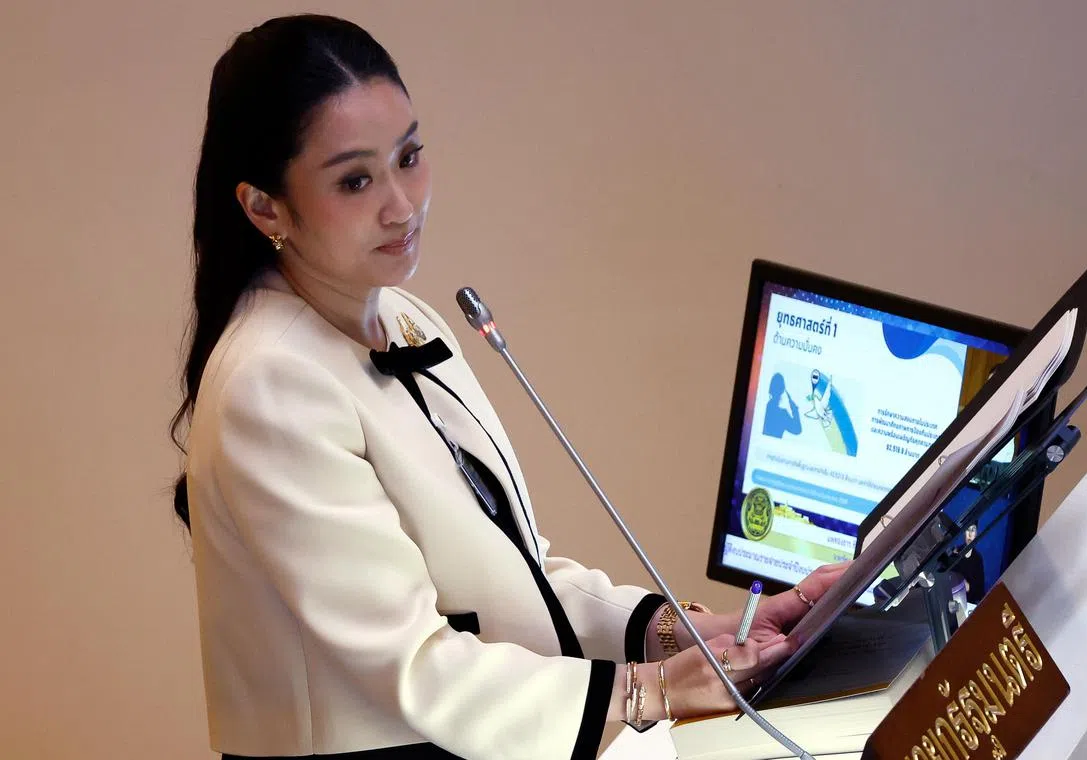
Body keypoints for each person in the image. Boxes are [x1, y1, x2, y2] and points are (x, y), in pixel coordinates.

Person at [169, 14, 850, 760]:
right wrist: (660, 690)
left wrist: (686, 633)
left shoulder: (402, 318)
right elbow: (414, 666)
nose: (402, 204)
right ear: (264, 207)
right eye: (356, 179)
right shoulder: (271, 384)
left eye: (411, 155)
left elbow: (508, 580)